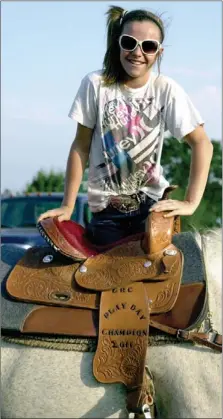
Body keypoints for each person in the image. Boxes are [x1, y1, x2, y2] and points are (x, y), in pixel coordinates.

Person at [38, 5, 213, 246]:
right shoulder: (95, 84)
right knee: (98, 275)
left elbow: (202, 143)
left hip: (152, 208)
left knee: (165, 275)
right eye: (129, 43)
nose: (137, 52)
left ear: (158, 52)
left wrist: (191, 202)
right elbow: (81, 145)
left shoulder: (165, 89)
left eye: (148, 46)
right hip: (106, 213)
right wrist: (67, 206)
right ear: (118, 43)